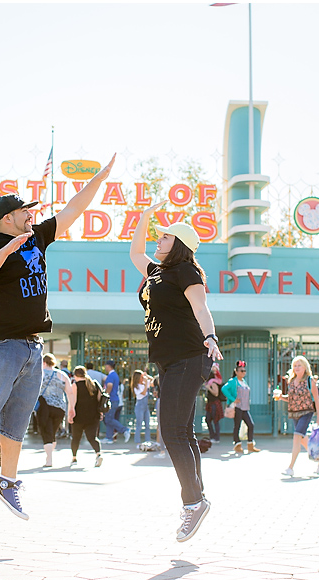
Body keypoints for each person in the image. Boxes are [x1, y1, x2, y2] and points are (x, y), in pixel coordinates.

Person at [0, 155, 115, 521]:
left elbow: (73, 208)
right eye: (24, 212)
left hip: (32, 346)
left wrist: (100, 178)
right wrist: (9, 249)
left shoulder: (37, 238)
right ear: (7, 219)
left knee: (16, 418)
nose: (32, 215)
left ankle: (8, 482)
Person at [129, 199, 223, 542]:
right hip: (169, 362)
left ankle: (193, 501)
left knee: (171, 431)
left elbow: (201, 308)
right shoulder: (156, 271)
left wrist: (211, 337)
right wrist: (144, 218)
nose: (159, 239)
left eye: (165, 237)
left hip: (189, 356)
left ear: (179, 244)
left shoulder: (186, 271)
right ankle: (197, 494)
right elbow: (135, 254)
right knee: (182, 430)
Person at [274, 355, 319, 476]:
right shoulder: (291, 381)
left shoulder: (310, 380)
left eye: (299, 365)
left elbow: (316, 399)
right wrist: (281, 397)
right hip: (294, 413)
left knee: (297, 436)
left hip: (307, 412)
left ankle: (290, 467)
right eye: (295, 365)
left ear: (305, 367)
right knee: (302, 439)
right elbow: (291, 398)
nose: (296, 368)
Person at [37, 353, 73, 467]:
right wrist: (71, 408)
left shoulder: (39, 374)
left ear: (44, 362)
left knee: (46, 432)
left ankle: (49, 459)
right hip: (59, 408)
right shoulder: (62, 375)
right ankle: (50, 456)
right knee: (52, 432)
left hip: (44, 407)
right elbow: (70, 393)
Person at [221, 360, 261, 454]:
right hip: (237, 407)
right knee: (237, 426)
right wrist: (232, 399)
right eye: (241, 371)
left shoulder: (244, 381)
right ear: (236, 371)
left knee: (251, 425)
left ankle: (250, 444)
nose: (243, 372)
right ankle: (237, 444)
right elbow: (224, 389)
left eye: (244, 371)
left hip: (245, 408)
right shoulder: (233, 381)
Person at [68, 365, 104, 467]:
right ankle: (98, 454)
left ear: (75, 375)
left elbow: (73, 402)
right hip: (93, 416)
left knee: (76, 438)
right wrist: (100, 413)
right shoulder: (94, 384)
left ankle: (74, 458)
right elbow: (99, 401)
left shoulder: (75, 385)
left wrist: (70, 414)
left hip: (78, 416)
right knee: (92, 437)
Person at [101, 360, 130, 444]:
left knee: (109, 419)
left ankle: (124, 429)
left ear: (108, 366)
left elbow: (109, 386)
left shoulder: (110, 376)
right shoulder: (115, 375)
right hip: (115, 399)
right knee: (109, 419)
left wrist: (105, 396)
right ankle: (109, 437)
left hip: (111, 399)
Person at [203, 365, 224, 443]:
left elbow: (216, 393)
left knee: (215, 420)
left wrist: (209, 388)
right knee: (208, 420)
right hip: (210, 404)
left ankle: (216, 438)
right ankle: (212, 436)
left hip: (214, 404)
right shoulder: (210, 382)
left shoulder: (213, 383)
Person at [131, 370, 152, 445]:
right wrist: (146, 383)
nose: (143, 378)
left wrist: (147, 376)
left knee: (147, 425)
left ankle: (148, 441)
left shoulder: (144, 384)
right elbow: (143, 393)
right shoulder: (136, 387)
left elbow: (153, 381)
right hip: (139, 407)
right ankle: (137, 442)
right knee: (139, 425)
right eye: (141, 377)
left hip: (146, 406)